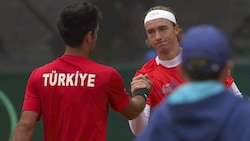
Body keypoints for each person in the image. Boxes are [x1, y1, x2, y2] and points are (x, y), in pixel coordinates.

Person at [11, 1, 152, 141]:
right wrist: (142, 92)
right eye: (96, 33)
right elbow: (132, 111)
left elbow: (25, 126)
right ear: (89, 37)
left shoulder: (39, 76)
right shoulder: (106, 75)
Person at [129, 5, 243, 136]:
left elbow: (237, 99)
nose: (158, 36)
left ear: (176, 29)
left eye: (163, 29)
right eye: (151, 32)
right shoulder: (145, 76)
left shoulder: (203, 60)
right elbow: (139, 131)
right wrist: (137, 101)